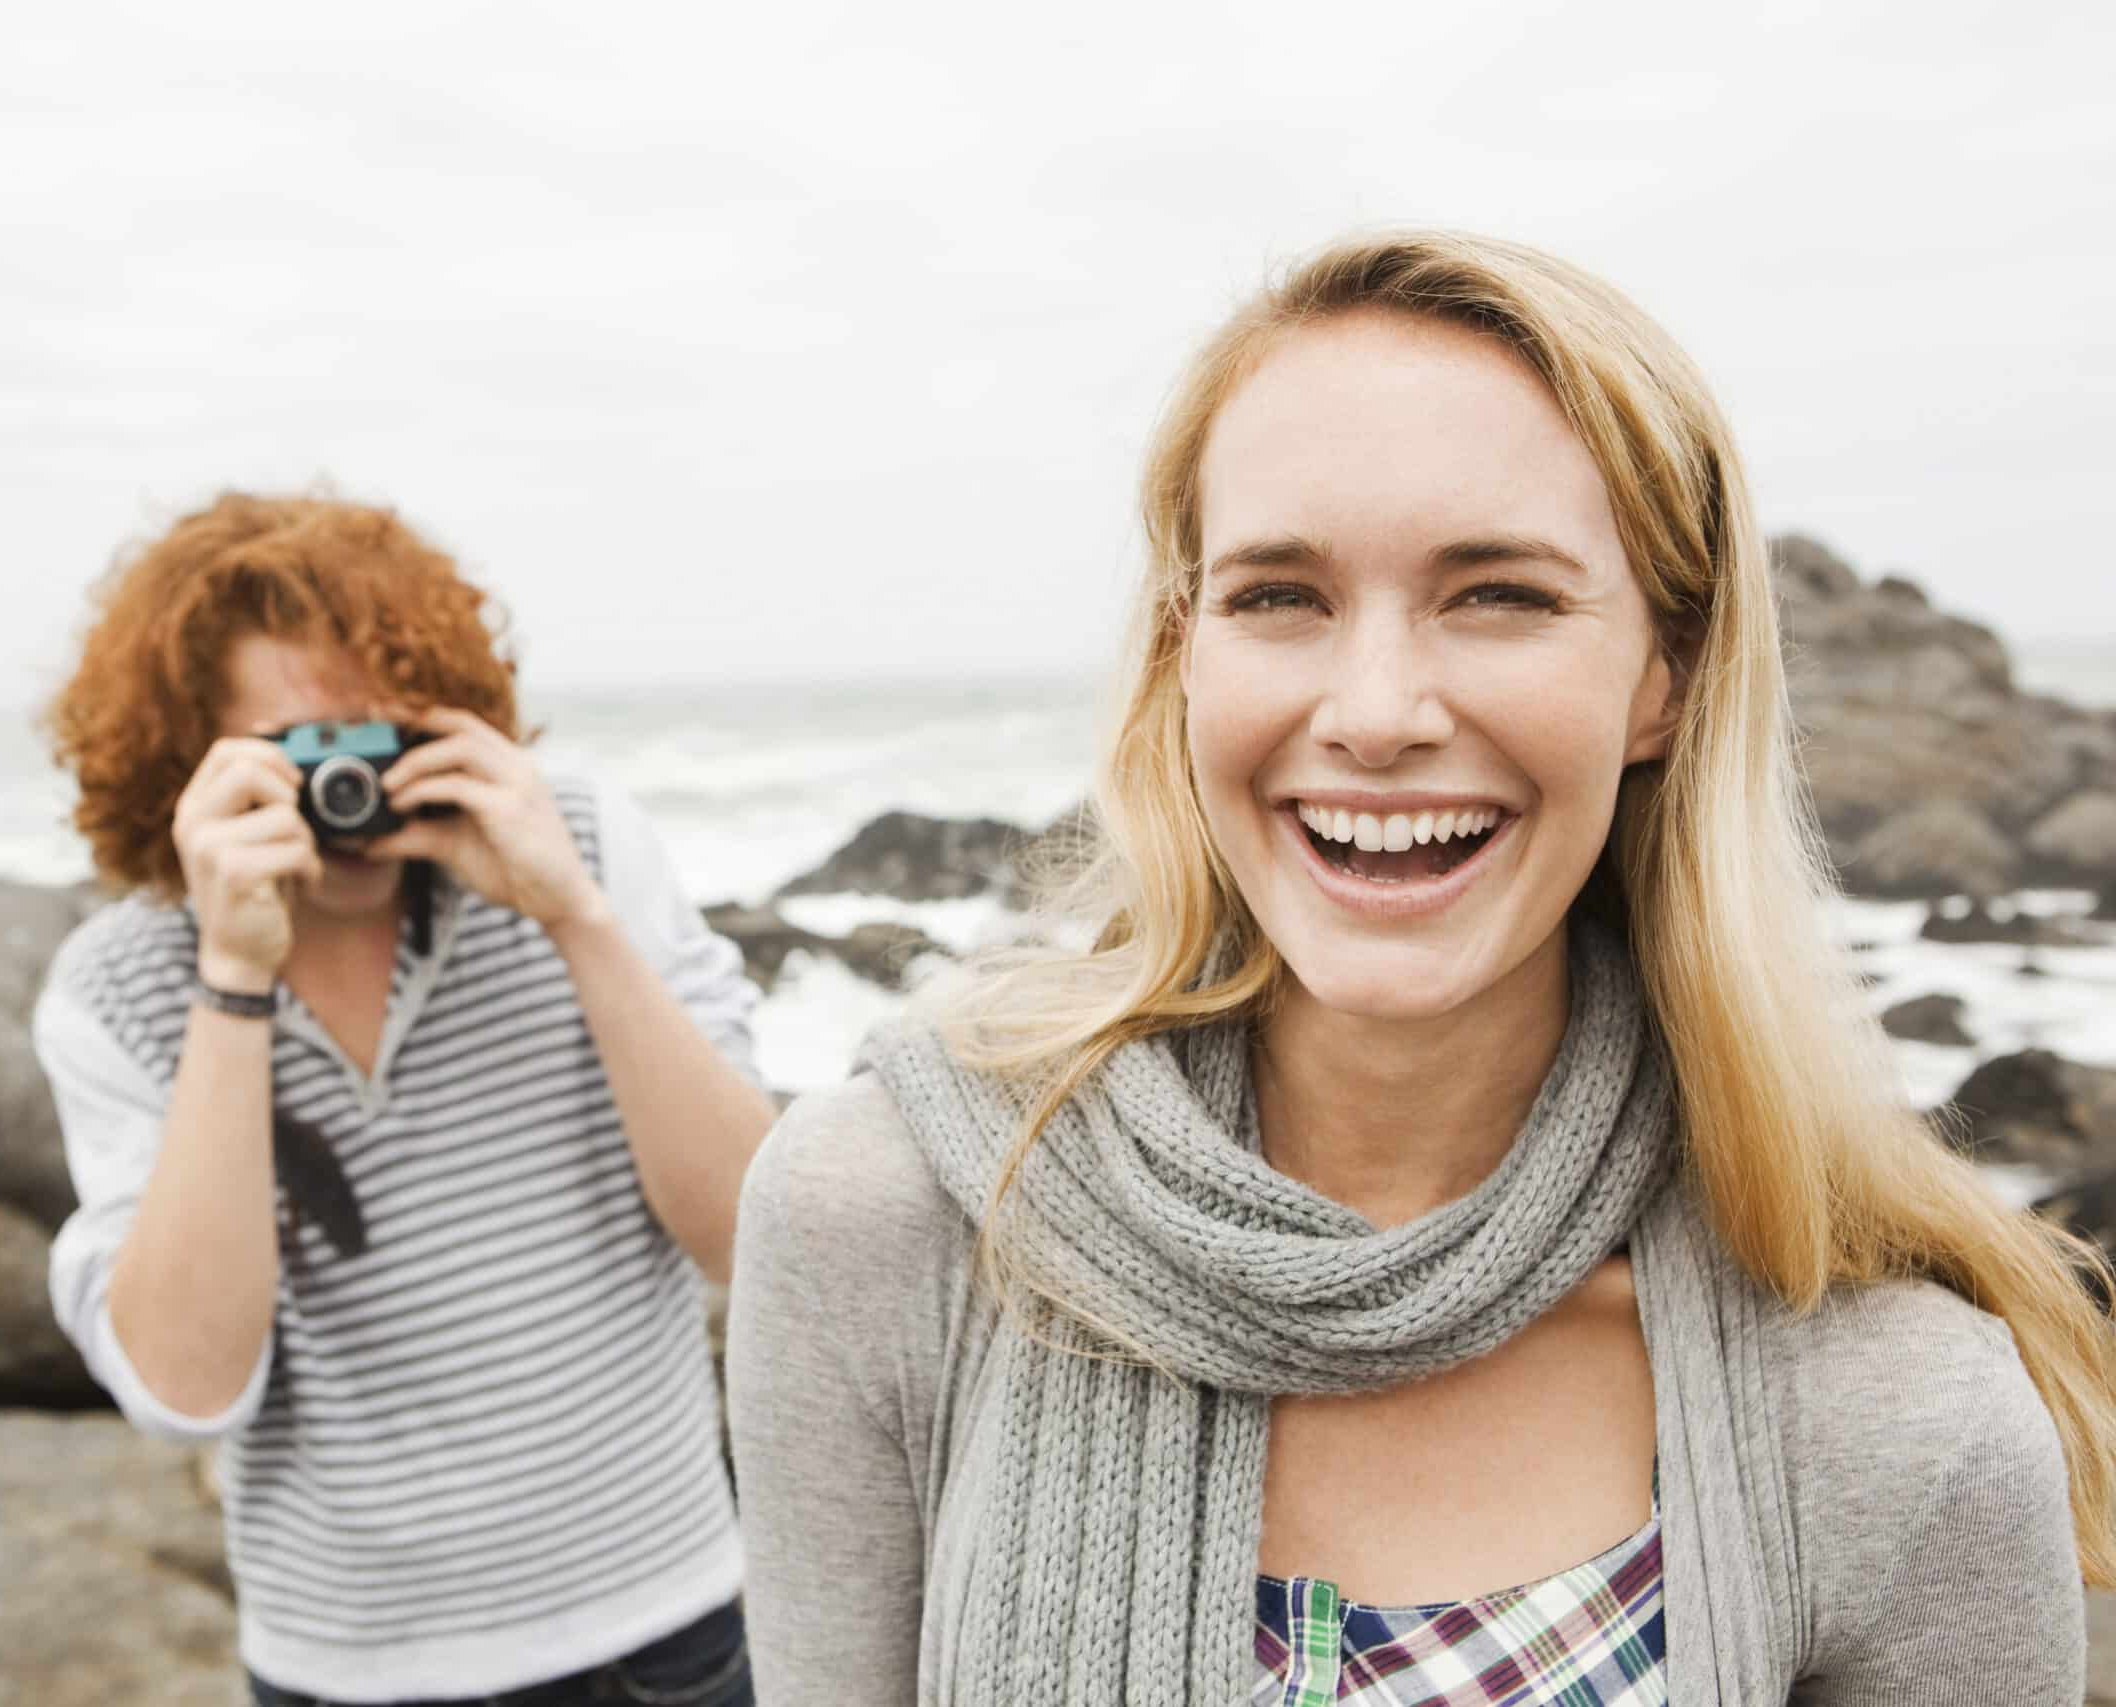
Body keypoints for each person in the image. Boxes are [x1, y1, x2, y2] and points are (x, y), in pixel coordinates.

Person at [725, 230, 2116, 1705]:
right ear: (1183, 654)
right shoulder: (885, 1219)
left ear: (1667, 674)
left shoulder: (1899, 1411)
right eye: (1281, 595)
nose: (1376, 712)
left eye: (1498, 592)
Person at [35, 493, 773, 1707]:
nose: (347, 795)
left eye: (376, 743)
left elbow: (754, 1232)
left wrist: (572, 915)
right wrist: (234, 981)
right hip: (349, 1667)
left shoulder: (577, 843)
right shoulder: (116, 989)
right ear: (185, 765)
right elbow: (184, 1388)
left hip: (662, 1622)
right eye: (297, 756)